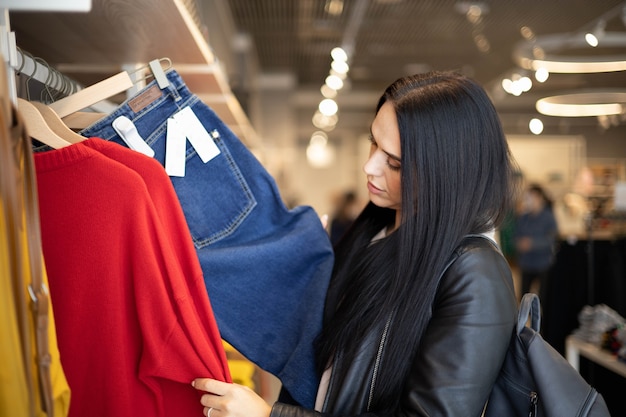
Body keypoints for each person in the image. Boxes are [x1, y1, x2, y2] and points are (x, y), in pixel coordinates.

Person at [193, 71, 519, 417]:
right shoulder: (376, 228)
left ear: (446, 173)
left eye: (393, 162)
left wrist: (270, 416)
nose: (369, 166)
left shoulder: (475, 275)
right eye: (373, 142)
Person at [514, 183, 559, 301]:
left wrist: (532, 244)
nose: (528, 200)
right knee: (523, 299)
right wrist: (519, 243)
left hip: (543, 264)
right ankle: (525, 319)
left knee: (544, 298)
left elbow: (551, 240)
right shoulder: (523, 217)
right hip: (526, 264)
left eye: (531, 197)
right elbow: (516, 236)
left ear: (539, 198)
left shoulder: (548, 217)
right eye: (527, 197)